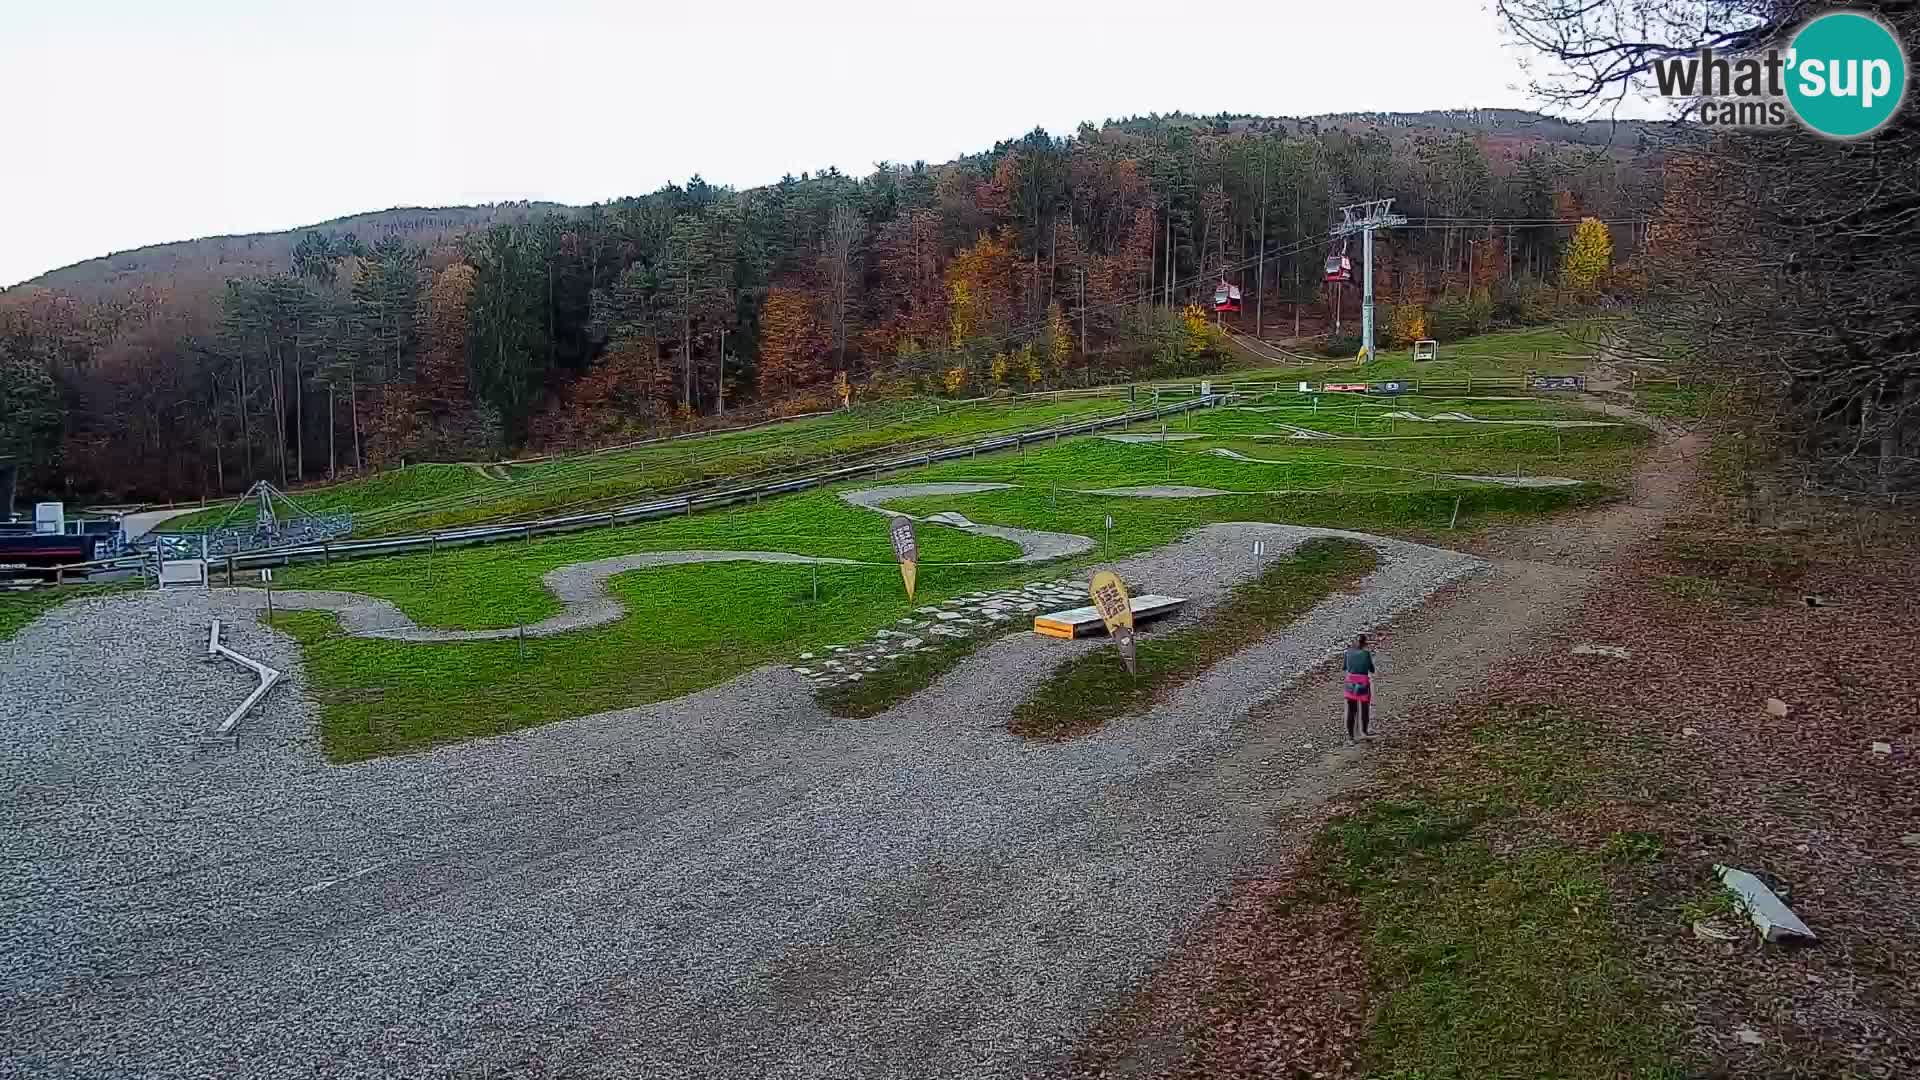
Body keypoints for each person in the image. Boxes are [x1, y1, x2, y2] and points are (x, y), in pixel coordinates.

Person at [1344, 634, 1377, 740]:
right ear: (1364, 644)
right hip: (1362, 683)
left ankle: (1351, 736)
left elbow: (1344, 667)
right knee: (1364, 708)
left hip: (1350, 683)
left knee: (1351, 710)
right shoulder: (1366, 654)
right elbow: (1372, 669)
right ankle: (1364, 731)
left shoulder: (1347, 653)